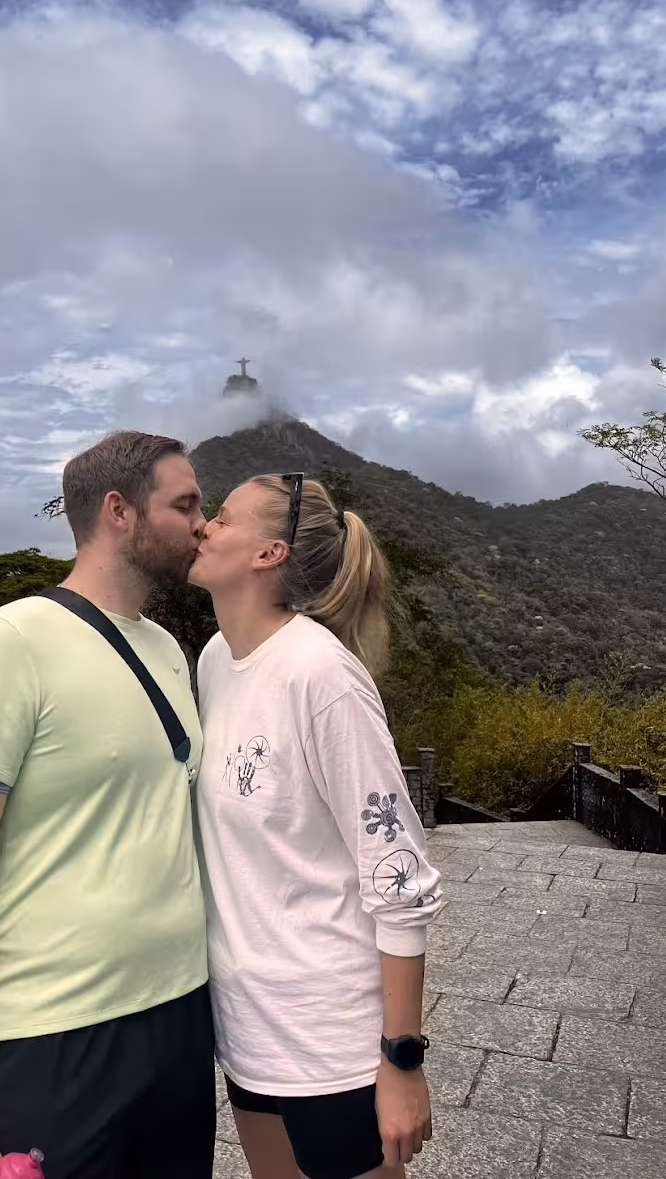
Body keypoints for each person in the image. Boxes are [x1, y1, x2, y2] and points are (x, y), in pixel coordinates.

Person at [0, 430, 216, 1179]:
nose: (202, 524)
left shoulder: (170, 651)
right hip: (52, 1038)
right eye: (184, 504)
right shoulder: (11, 641)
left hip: (180, 1016)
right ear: (119, 511)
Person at [189, 472, 442, 1179]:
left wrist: (400, 1060)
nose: (204, 525)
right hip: (248, 1033)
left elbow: (398, 876)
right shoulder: (215, 661)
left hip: (334, 1045)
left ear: (269, 552)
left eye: (224, 517)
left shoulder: (321, 677)